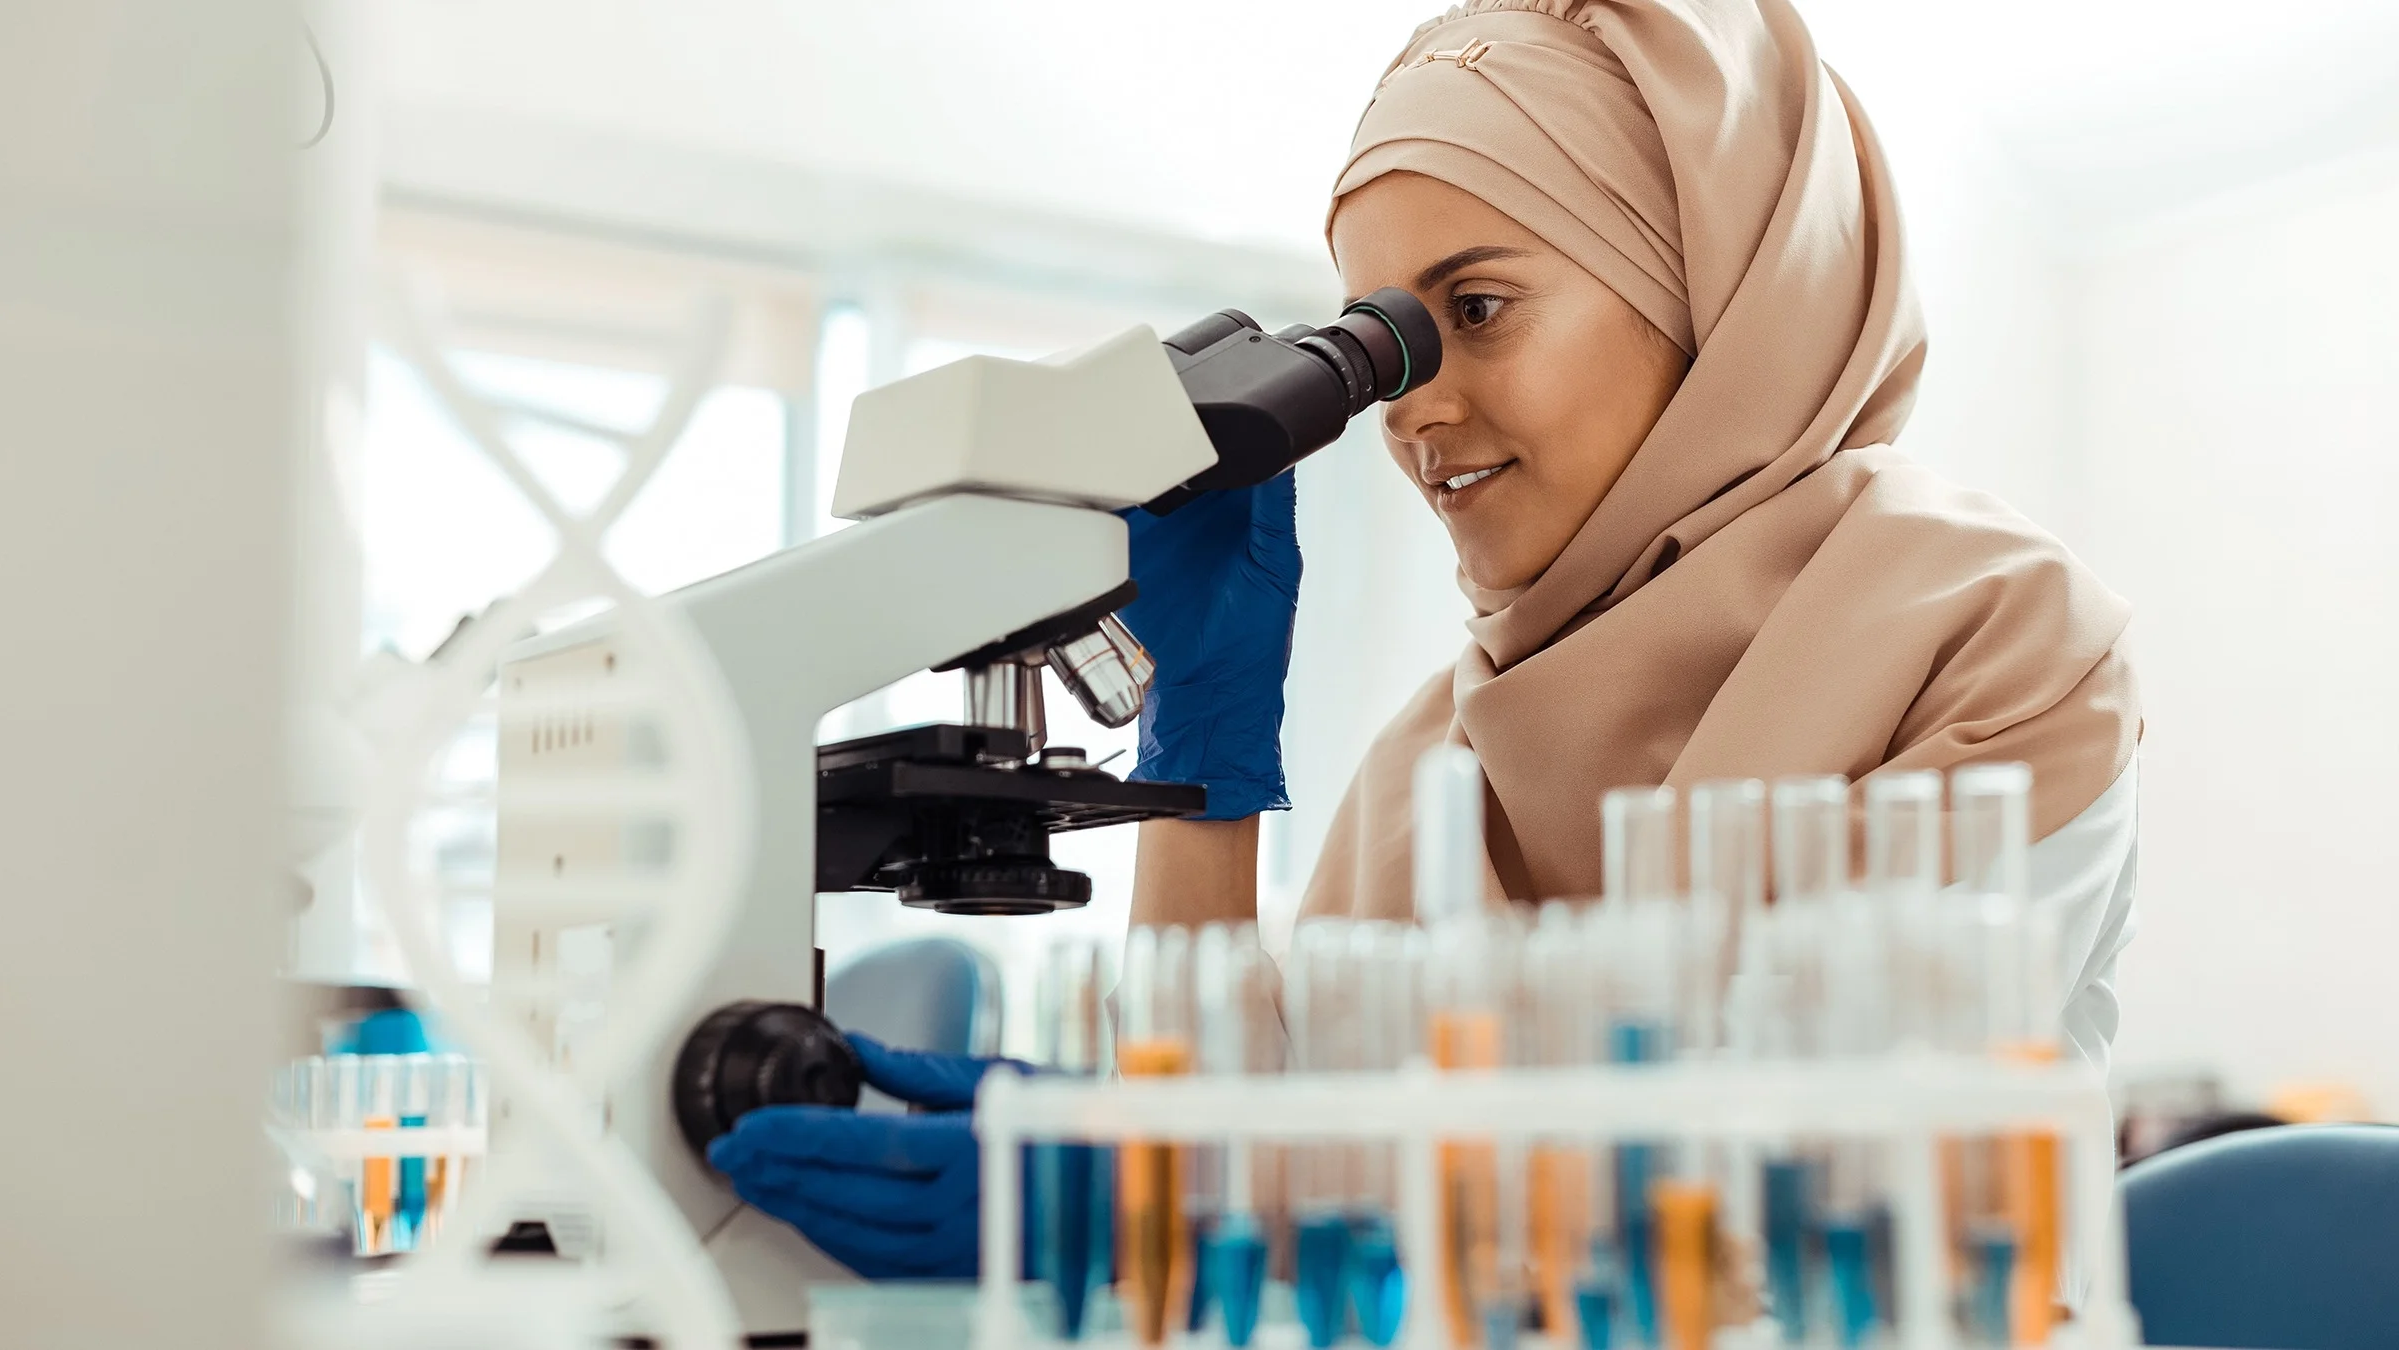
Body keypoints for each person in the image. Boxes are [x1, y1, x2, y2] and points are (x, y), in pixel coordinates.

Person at [710, 0, 2140, 1278]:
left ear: (1710, 295)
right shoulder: (1438, 755)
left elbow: (1787, 1182)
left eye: (1478, 308)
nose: (1412, 406)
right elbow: (1223, 1120)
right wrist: (1203, 766)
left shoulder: (1990, 633)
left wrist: (1200, 1178)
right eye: (1381, 338)